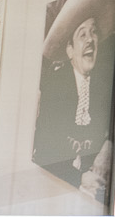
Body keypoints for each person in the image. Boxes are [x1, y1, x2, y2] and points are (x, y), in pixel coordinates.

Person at [33, 12, 112, 201]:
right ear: (70, 50)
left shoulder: (104, 84)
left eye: (94, 32)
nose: (90, 40)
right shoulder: (55, 85)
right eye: (82, 34)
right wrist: (80, 179)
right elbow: (44, 152)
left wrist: (109, 144)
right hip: (56, 185)